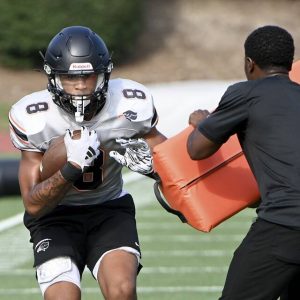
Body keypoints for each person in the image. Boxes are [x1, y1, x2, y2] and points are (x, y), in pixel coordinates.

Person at [9, 25, 166, 300]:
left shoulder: (128, 105)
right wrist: (71, 168)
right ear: (53, 78)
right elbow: (33, 204)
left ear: (105, 75)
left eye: (88, 76)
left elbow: (169, 158)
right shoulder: (34, 117)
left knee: (122, 291)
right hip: (53, 216)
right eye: (71, 78)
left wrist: (155, 168)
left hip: (109, 209)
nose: (81, 86)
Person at [186, 25, 300, 300]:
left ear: (250, 64)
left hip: (285, 223)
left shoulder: (246, 93)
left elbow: (197, 149)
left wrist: (202, 123)